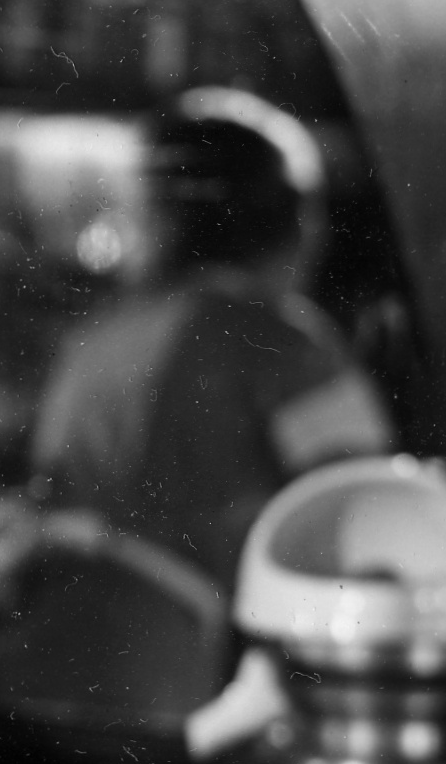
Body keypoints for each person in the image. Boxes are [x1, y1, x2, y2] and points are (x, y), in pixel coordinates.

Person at [29, 92, 392, 595]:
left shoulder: (93, 343)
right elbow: (370, 526)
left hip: (93, 655)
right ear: (293, 221)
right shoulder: (288, 348)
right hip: (228, 658)